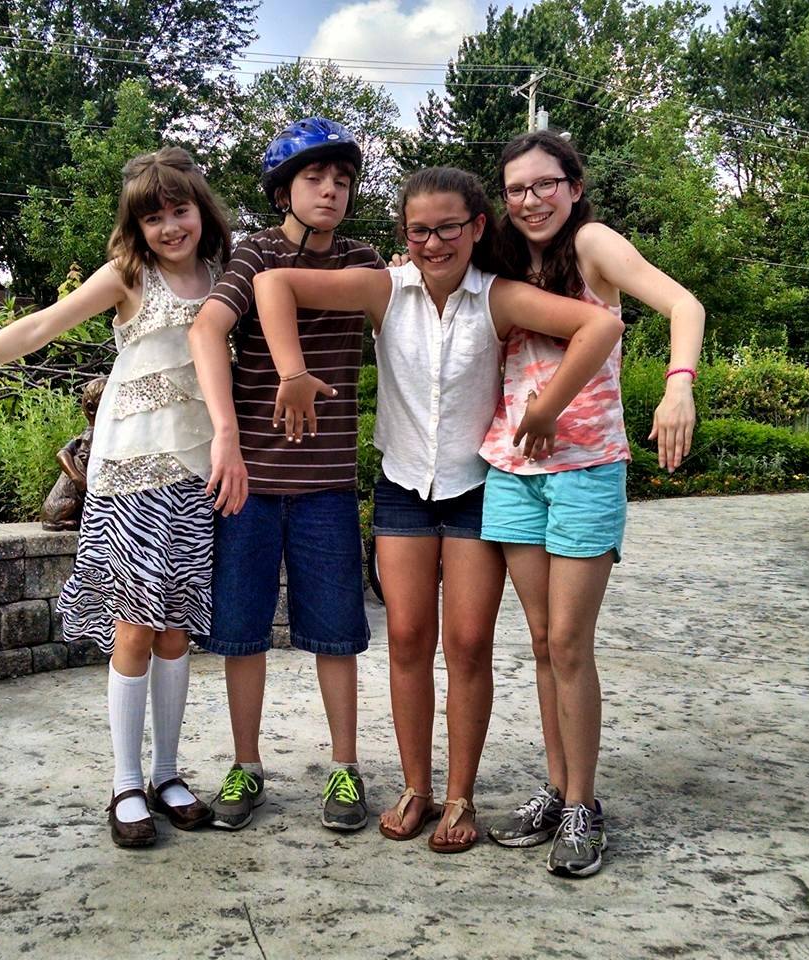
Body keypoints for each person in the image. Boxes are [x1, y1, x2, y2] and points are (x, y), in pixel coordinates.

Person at [253, 165, 624, 853]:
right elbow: (273, 284)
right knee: (407, 640)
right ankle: (417, 787)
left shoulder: (497, 297)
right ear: (404, 233)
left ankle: (460, 797)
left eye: (448, 228)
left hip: (475, 489)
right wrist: (291, 371)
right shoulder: (383, 289)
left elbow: (598, 326)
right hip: (402, 491)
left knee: (469, 646)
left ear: (477, 227)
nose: (433, 243)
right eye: (418, 230)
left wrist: (548, 406)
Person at [0, 147, 245, 848]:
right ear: (136, 226)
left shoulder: (225, 274)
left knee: (177, 630)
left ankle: (167, 775)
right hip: (129, 474)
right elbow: (39, 326)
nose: (170, 227)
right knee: (135, 628)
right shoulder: (129, 275)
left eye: (180, 210)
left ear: (201, 209)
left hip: (196, 474)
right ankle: (125, 782)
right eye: (153, 217)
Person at [483, 130, 705, 877]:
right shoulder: (504, 258)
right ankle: (555, 789)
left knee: (572, 644)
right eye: (517, 189)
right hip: (512, 470)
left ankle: (584, 804)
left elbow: (684, 305)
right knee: (543, 642)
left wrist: (679, 385)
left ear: (574, 187)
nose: (531, 199)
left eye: (545, 184)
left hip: (585, 471)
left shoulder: (593, 244)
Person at [188, 118, 385, 832]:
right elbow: (206, 328)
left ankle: (345, 767)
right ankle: (246, 764)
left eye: (342, 180)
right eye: (313, 178)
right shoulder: (254, 252)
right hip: (248, 481)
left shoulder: (364, 261)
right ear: (283, 192)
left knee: (337, 634)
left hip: (326, 482)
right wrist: (227, 437)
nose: (330, 190)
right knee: (240, 633)